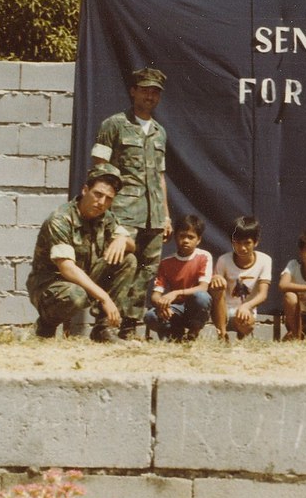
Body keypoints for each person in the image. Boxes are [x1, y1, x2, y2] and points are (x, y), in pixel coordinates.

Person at [91, 66, 174, 340]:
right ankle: (105, 325)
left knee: (146, 271)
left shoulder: (160, 132)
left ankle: (128, 328)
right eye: (146, 90)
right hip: (123, 213)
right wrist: (105, 209)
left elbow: (159, 175)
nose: (150, 96)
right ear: (133, 91)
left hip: (153, 214)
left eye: (155, 92)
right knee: (120, 266)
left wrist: (166, 215)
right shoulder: (113, 125)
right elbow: (99, 169)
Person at [26, 164, 136, 343]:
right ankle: (45, 326)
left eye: (108, 199)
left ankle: (104, 330)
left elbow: (132, 246)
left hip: (83, 279)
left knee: (127, 259)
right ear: (85, 190)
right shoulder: (61, 219)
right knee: (75, 295)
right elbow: (67, 268)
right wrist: (104, 297)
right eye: (98, 194)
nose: (101, 203)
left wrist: (122, 239)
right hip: (50, 285)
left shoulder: (105, 217)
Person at [143, 214, 212, 341]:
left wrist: (176, 292)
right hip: (176, 309)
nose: (186, 240)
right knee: (150, 316)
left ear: (199, 240)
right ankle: (176, 335)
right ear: (175, 237)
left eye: (191, 237)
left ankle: (193, 332)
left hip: (193, 307)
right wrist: (162, 305)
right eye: (182, 236)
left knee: (202, 297)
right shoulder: (166, 262)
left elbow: (203, 287)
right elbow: (155, 294)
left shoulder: (204, 256)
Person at [210, 216, 272, 341]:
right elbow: (215, 292)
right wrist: (216, 279)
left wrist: (246, 306)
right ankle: (222, 335)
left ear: (256, 242)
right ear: (232, 242)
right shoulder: (223, 260)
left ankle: (242, 334)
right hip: (224, 310)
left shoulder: (265, 260)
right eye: (238, 243)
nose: (242, 248)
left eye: (247, 243)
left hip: (246, 311)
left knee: (246, 324)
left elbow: (263, 294)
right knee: (218, 284)